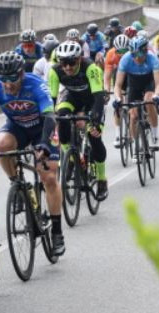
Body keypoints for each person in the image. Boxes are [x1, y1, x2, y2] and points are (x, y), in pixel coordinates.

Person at [0, 51, 65, 256]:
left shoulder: (36, 85)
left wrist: (45, 145)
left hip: (42, 128)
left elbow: (49, 116)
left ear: (21, 73)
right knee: (1, 144)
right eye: (4, 79)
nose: (8, 84)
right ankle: (16, 183)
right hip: (17, 127)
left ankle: (57, 231)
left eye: (12, 78)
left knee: (48, 176)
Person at [48, 41, 109, 201]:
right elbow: (51, 100)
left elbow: (98, 97)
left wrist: (95, 120)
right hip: (72, 98)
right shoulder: (54, 71)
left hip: (92, 101)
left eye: (71, 62)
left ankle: (102, 180)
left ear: (80, 59)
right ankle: (72, 159)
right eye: (64, 63)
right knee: (61, 116)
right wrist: (49, 121)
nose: (67, 67)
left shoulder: (91, 68)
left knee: (94, 136)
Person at [113, 36, 159, 152]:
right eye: (133, 55)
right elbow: (118, 85)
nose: (136, 58)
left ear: (145, 52)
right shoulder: (126, 59)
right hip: (134, 84)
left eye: (139, 55)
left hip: (148, 82)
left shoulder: (152, 59)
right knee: (133, 115)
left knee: (148, 101)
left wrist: (156, 95)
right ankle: (136, 145)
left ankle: (155, 137)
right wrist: (117, 98)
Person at [104, 34, 130, 148]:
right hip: (118, 78)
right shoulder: (111, 54)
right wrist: (106, 91)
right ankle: (118, 135)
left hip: (131, 77)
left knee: (132, 104)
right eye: (120, 51)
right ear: (115, 49)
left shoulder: (132, 54)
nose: (122, 54)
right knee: (117, 105)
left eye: (125, 50)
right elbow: (107, 76)